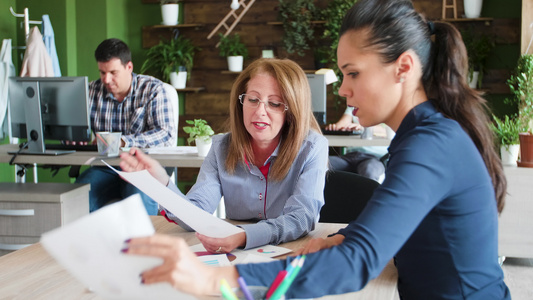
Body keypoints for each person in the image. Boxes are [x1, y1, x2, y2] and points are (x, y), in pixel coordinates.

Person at [121, 0, 510, 298]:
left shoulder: (430, 144)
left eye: (353, 73)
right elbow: (397, 220)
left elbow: (358, 263)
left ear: (403, 68)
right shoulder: (421, 136)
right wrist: (342, 236)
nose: (342, 89)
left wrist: (212, 278)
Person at [120, 58, 329, 253]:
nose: (260, 111)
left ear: (292, 110)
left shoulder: (313, 147)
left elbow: (301, 218)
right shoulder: (221, 147)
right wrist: (161, 182)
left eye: (274, 103)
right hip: (236, 255)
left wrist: (244, 235)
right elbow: (196, 215)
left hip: (294, 251)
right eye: (253, 99)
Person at [76, 38, 176, 216]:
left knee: (137, 204)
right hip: (105, 166)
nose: (107, 79)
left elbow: (165, 134)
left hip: (142, 167)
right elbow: (76, 129)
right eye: (102, 72)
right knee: (76, 200)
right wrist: (73, 136)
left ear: (129, 67)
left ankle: (144, 244)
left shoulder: (153, 89)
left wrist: (123, 141)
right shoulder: (91, 91)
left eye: (113, 72)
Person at [326, 106, 386, 182]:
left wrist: (363, 127)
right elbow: (342, 124)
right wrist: (336, 127)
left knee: (369, 172)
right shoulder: (354, 105)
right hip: (350, 157)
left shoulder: (385, 105)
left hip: (374, 157)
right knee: (320, 163)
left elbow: (388, 130)